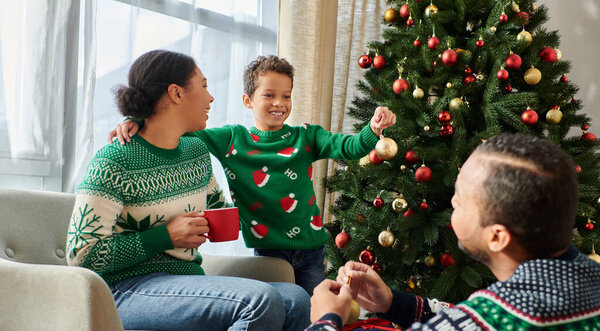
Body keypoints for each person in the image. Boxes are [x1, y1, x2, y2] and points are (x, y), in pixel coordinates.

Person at [66, 49, 310, 331]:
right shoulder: (114, 159)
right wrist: (164, 235)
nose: (211, 97)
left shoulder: (194, 154)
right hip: (122, 291)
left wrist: (271, 189)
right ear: (176, 93)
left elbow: (218, 211)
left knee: (295, 298)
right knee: (258, 301)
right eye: (204, 86)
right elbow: (82, 256)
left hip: (182, 281)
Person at [294, 134, 600, 331]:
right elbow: (470, 322)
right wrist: (394, 303)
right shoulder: (582, 279)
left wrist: (325, 319)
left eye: (461, 199)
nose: (451, 201)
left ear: (497, 236)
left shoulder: (503, 328)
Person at [108, 55, 397, 296]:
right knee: (280, 313)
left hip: (312, 248)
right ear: (248, 101)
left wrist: (372, 129)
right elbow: (178, 128)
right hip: (268, 251)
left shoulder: (307, 136)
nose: (279, 103)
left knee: (312, 314)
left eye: (286, 96)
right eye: (269, 95)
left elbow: (349, 147)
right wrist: (136, 120)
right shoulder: (232, 139)